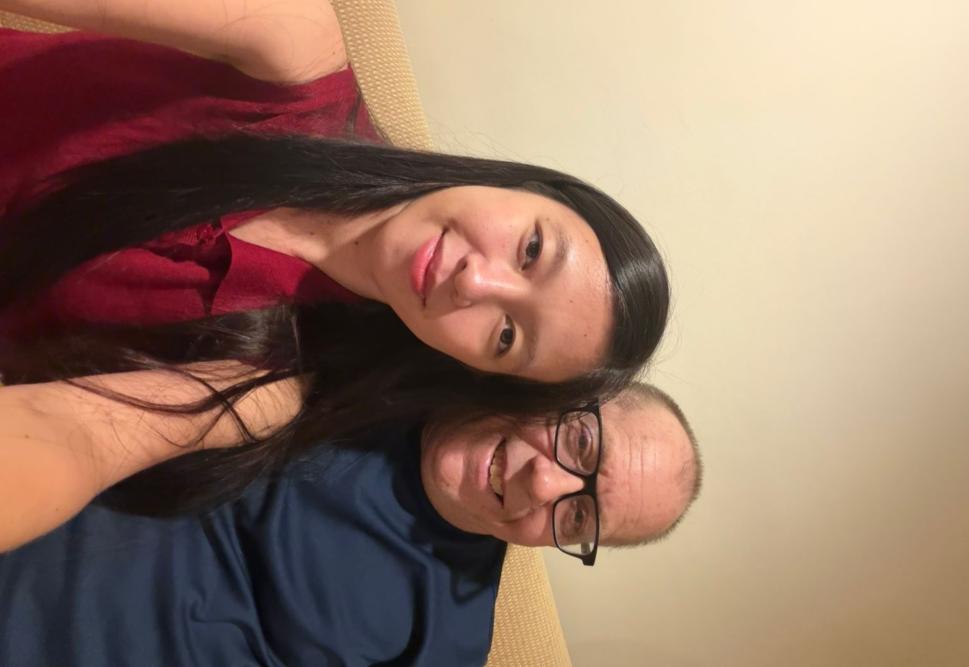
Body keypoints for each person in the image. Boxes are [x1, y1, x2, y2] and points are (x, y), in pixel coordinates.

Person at [0, 1, 669, 514]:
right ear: (525, 187)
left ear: (468, 366)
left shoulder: (264, 382)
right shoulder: (295, 50)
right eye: (531, 249)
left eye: (505, 335)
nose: (475, 282)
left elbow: (68, 443)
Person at [0, 383, 702, 666]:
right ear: (567, 387)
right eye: (580, 441)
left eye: (578, 515)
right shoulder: (376, 355)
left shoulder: (445, 643)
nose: (543, 482)